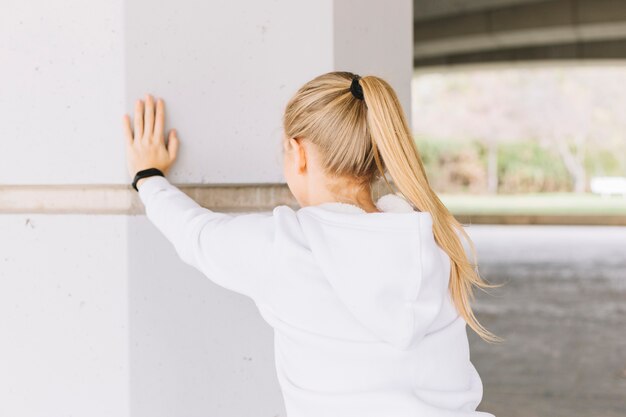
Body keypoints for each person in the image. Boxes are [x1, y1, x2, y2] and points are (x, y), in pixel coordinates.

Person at [121, 71, 502, 417]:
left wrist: (149, 176)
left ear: (297, 151)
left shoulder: (285, 247)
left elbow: (195, 233)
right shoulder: (435, 243)